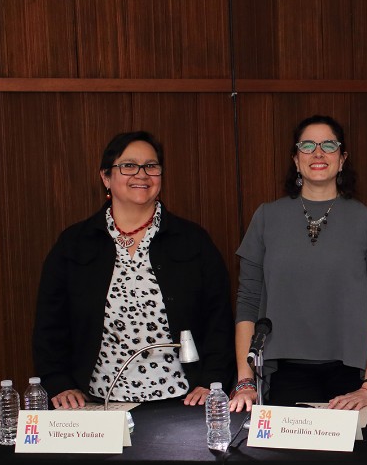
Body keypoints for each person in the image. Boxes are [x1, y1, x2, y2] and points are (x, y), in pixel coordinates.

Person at [33, 131, 236, 408]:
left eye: (151, 166)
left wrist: (212, 379)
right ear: (106, 177)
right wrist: (58, 381)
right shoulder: (74, 243)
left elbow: (219, 318)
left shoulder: (192, 240)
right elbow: (50, 322)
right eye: (128, 166)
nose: (142, 175)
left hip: (182, 399)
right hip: (97, 400)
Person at [229, 115, 367, 413]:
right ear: (296, 160)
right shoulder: (266, 218)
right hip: (283, 372)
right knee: (286, 459)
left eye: (329, 145)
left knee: (350, 460)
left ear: (342, 158)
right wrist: (245, 380)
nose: (318, 153)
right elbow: (247, 302)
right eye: (308, 145)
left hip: (353, 375)